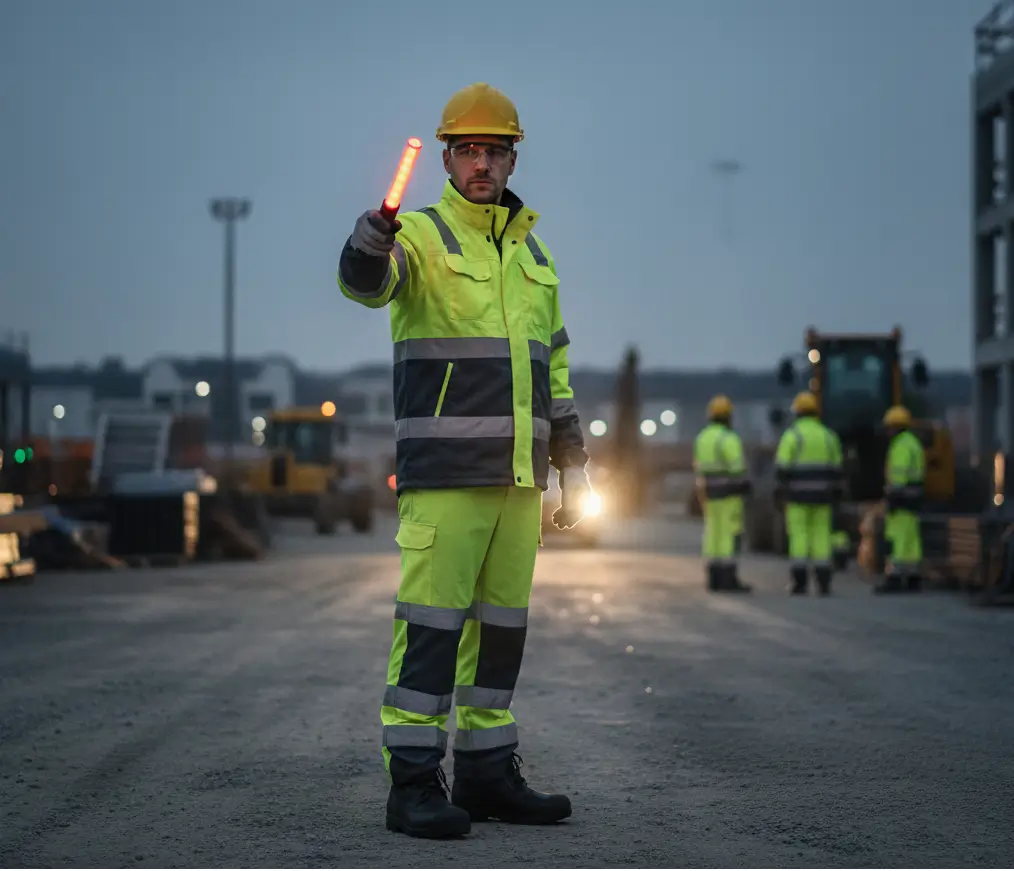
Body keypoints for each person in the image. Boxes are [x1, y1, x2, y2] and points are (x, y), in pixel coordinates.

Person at [337, 82, 589, 839]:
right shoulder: (414, 235)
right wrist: (367, 240)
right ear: (446, 157)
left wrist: (572, 462)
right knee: (433, 628)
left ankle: (485, 771)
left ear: (513, 159)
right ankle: (412, 784)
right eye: (468, 150)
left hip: (519, 481)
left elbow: (556, 370)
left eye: (494, 150)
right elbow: (364, 285)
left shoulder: (534, 255)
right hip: (446, 476)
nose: (481, 163)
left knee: (500, 629)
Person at [774, 391, 843, 595]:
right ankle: (823, 583)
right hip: (823, 497)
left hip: (797, 497)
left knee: (799, 537)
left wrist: (779, 492)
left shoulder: (792, 435)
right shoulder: (828, 436)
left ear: (797, 413)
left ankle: (800, 583)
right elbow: (837, 469)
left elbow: (782, 468)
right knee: (822, 536)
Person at [693, 395, 752, 592]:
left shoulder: (702, 438)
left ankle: (713, 578)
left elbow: (698, 467)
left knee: (712, 533)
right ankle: (728, 579)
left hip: (709, 493)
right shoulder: (729, 438)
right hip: (729, 494)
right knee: (728, 534)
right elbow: (738, 468)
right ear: (728, 416)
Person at [875, 405, 925, 594]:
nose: (887, 431)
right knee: (912, 540)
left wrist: (891, 499)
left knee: (898, 539)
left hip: (901, 500)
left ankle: (895, 577)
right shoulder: (914, 443)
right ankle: (913, 578)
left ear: (895, 427)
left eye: (889, 427)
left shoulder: (900, 446)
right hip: (914, 499)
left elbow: (898, 477)